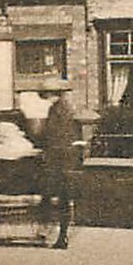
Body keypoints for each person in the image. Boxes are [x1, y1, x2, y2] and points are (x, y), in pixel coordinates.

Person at [38, 83, 79, 249]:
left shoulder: (57, 110)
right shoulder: (68, 109)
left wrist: (43, 149)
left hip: (58, 161)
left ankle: (54, 233)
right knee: (63, 200)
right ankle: (61, 236)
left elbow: (50, 134)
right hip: (69, 160)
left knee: (50, 196)